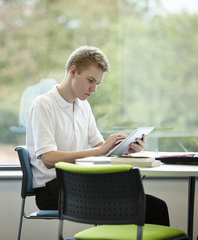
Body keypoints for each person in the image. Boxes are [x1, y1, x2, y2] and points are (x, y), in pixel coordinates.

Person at [26, 46, 170, 226]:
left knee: (155, 206)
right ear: (73, 71)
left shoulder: (83, 106)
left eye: (97, 84)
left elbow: (101, 148)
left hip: (82, 183)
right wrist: (100, 150)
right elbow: (48, 158)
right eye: (90, 80)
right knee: (146, 208)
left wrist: (126, 149)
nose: (93, 89)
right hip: (55, 190)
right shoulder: (44, 105)